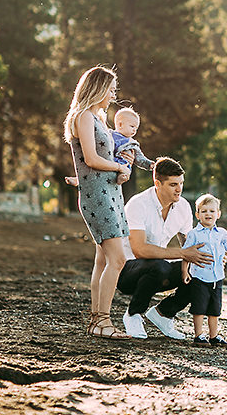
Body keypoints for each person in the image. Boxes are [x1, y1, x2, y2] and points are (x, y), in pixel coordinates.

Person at [63, 65, 132, 339]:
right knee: (118, 259)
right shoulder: (83, 117)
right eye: (111, 89)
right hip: (98, 197)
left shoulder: (98, 118)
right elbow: (90, 159)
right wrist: (117, 168)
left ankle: (96, 321)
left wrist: (121, 171)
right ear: (99, 88)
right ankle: (103, 322)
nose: (114, 95)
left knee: (103, 262)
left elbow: (92, 165)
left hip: (110, 192)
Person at [116, 157, 213, 340]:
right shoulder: (138, 204)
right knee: (159, 266)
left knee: (201, 268)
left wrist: (211, 257)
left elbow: (189, 245)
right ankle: (133, 314)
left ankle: (164, 314)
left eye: (181, 183)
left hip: (159, 268)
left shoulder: (183, 206)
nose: (179, 189)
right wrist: (183, 253)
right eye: (173, 184)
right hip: (127, 271)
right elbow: (140, 250)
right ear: (157, 183)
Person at [181, 194, 227, 347]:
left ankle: (214, 336)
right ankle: (199, 335)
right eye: (204, 211)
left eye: (212, 211)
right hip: (200, 276)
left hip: (217, 277)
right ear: (198, 214)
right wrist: (185, 271)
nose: (208, 214)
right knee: (199, 308)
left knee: (215, 309)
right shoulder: (194, 234)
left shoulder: (221, 233)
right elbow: (186, 254)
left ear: (218, 214)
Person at [65, 107, 154, 187]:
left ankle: (120, 178)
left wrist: (149, 164)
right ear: (120, 125)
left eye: (136, 128)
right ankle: (78, 179)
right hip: (107, 163)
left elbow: (139, 158)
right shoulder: (108, 134)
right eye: (132, 126)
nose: (135, 130)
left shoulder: (132, 144)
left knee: (124, 173)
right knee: (94, 171)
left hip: (122, 167)